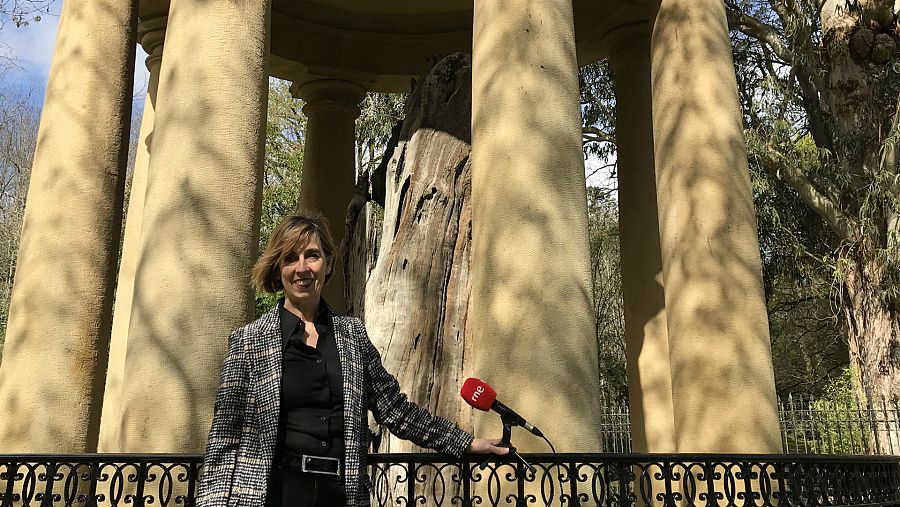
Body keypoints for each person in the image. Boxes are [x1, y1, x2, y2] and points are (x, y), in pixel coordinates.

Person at [197, 211, 507, 507]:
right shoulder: (249, 341)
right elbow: (224, 439)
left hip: (340, 495)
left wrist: (464, 442)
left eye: (312, 255)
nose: (302, 268)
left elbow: (395, 409)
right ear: (279, 268)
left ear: (328, 263)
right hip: (275, 494)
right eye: (290, 258)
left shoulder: (352, 335)